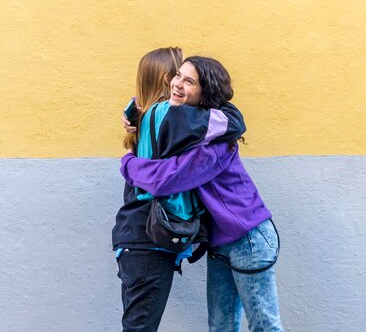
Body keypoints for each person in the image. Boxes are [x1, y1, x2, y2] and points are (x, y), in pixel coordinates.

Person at [120, 56, 284, 332]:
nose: (178, 83)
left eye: (189, 80)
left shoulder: (214, 144)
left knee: (264, 326)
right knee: (220, 327)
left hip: (249, 240)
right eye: (178, 75)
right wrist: (136, 120)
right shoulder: (189, 132)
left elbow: (167, 179)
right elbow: (165, 126)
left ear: (204, 93)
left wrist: (127, 162)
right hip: (219, 244)